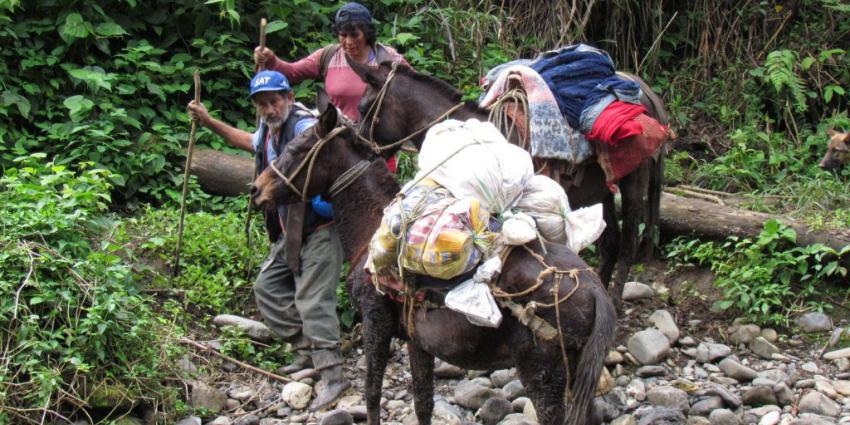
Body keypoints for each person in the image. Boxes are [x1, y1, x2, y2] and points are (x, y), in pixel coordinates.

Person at [187, 70, 349, 411]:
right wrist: (208, 121)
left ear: (289, 98)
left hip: (320, 227)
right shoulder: (268, 131)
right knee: (268, 288)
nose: (270, 108)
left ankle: (333, 376)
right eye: (262, 104)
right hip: (291, 230)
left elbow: (320, 141)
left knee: (313, 300)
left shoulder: (304, 127)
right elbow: (245, 141)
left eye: (275, 101)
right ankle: (307, 351)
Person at [253, 2, 409, 123]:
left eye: (355, 35)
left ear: (367, 33)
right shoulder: (328, 56)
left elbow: (416, 91)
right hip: (338, 146)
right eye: (343, 35)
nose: (348, 42)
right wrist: (271, 59)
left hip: (378, 146)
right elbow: (292, 73)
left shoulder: (388, 59)